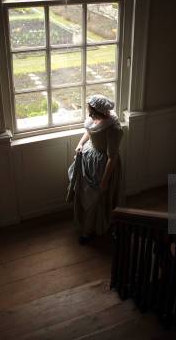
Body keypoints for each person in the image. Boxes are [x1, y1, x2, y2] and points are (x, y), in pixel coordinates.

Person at [67, 95, 124, 244]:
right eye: (90, 113)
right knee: (84, 195)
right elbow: (90, 130)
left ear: (102, 112)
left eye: (93, 113)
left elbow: (112, 157)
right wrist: (80, 144)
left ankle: (92, 229)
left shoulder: (114, 129)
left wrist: (104, 181)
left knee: (96, 198)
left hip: (103, 165)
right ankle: (85, 224)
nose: (90, 116)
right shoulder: (95, 118)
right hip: (88, 158)